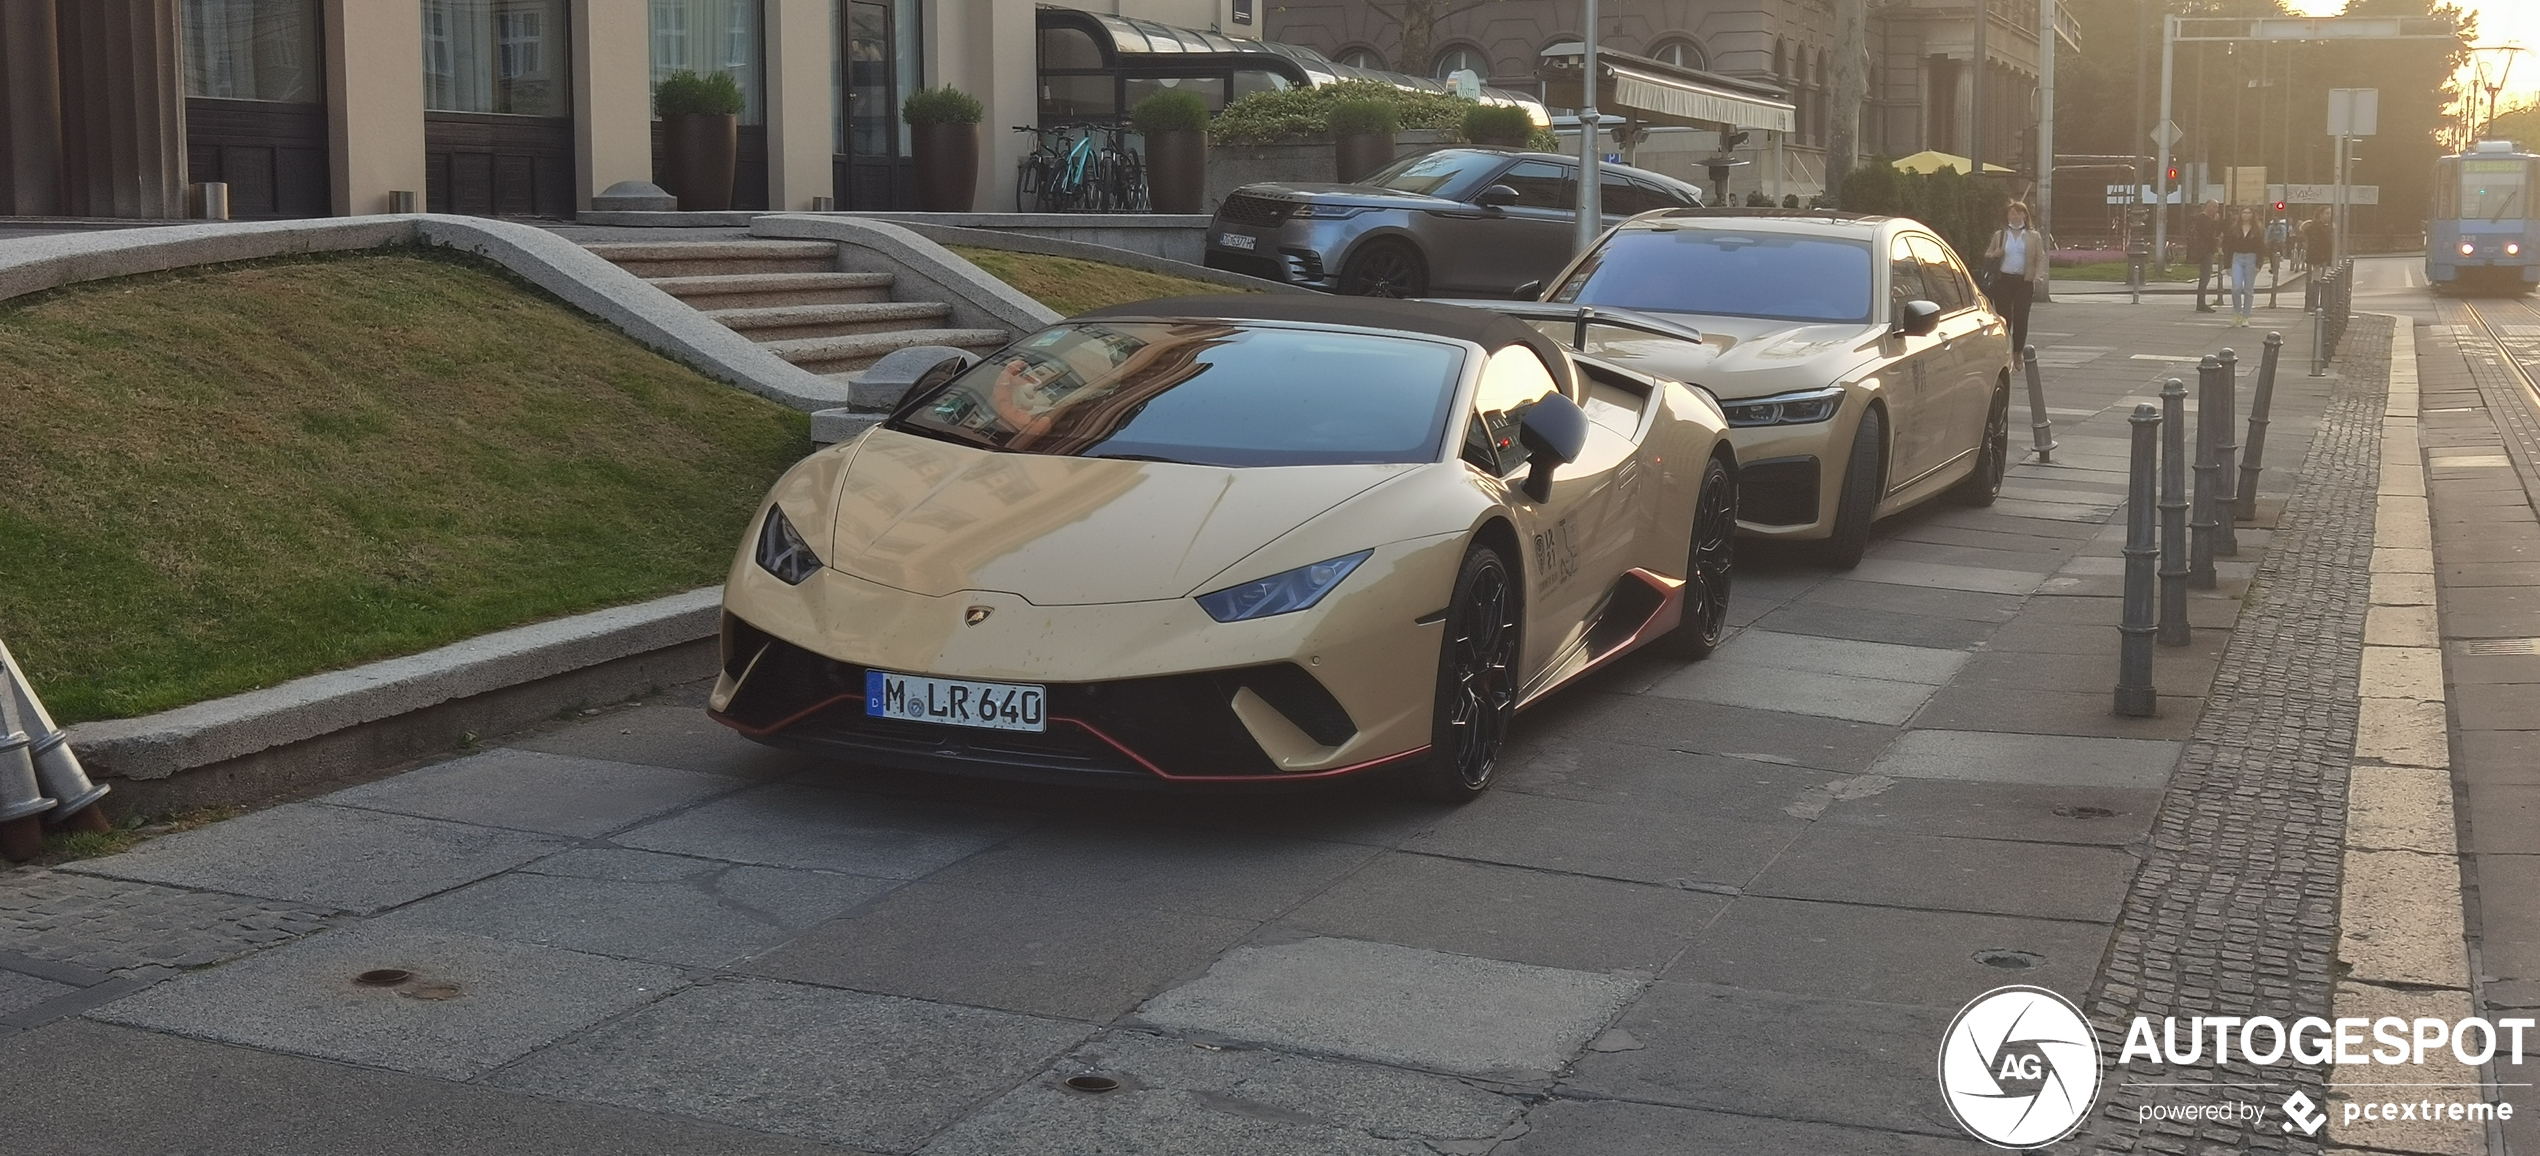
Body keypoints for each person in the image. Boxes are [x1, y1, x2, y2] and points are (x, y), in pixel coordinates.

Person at [1984, 200, 2050, 355]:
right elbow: (1987, 254)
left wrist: (2037, 274)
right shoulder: (2000, 235)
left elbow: (2040, 257)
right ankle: (2005, 349)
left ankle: (2018, 351)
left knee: (2021, 317)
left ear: (2024, 216)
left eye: (2018, 213)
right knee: (2004, 316)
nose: (2014, 216)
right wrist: (1995, 254)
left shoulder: (2033, 236)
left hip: (2023, 281)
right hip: (2003, 280)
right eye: (2011, 213)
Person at [2222, 204, 2269, 326]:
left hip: (2251, 258)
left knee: (2248, 289)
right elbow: (2229, 247)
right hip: (2237, 257)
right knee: (2236, 288)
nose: (2246, 215)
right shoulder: (2234, 229)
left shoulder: (2258, 230)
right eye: (2244, 213)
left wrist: (2259, 264)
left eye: (2249, 213)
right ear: (2240, 215)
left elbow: (2261, 248)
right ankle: (2237, 312)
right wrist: (2227, 265)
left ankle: (2246, 316)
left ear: (2253, 215)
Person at [2187, 201, 2223, 312]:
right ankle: (2201, 303)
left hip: (2208, 250)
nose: (2216, 209)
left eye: (2217, 207)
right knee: (2205, 276)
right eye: (2214, 206)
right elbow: (2208, 234)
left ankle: (2201, 302)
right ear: (2207, 207)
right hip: (2204, 251)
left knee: (2205, 277)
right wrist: (2215, 223)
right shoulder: (2203, 219)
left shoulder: (2208, 219)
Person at [2301, 208, 2335, 310]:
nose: (2329, 215)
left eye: (2330, 213)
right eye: (2327, 213)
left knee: (2318, 281)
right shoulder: (2316, 227)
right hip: (2317, 259)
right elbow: (2314, 244)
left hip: (2322, 258)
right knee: (2316, 281)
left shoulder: (2324, 227)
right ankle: (2313, 304)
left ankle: (2314, 303)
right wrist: (2317, 259)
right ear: (2320, 214)